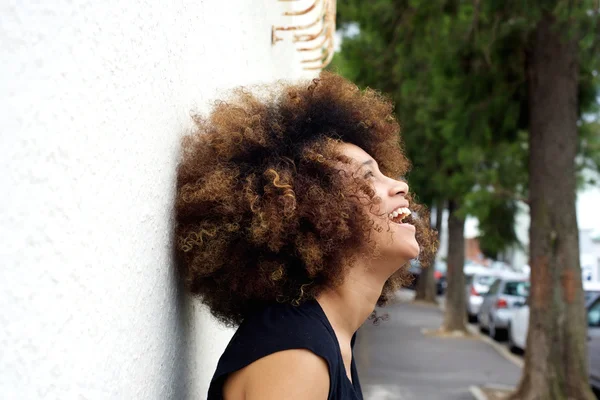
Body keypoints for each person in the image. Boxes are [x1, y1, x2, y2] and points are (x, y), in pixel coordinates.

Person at [174, 72, 436, 400]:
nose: (401, 186)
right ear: (315, 210)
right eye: (368, 174)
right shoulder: (297, 355)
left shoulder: (324, 338)